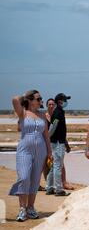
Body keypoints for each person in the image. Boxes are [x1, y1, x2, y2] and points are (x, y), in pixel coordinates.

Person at [10, 90, 52, 221]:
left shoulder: (43, 116)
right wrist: (25, 95)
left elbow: (46, 135)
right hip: (24, 149)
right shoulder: (22, 113)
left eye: (41, 99)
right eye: (38, 99)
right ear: (30, 100)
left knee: (35, 180)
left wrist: (50, 152)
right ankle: (22, 209)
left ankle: (30, 207)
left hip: (41, 150)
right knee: (23, 177)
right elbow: (15, 99)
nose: (41, 101)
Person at [46, 93, 71, 196]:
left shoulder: (59, 112)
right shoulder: (57, 113)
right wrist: (48, 138)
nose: (65, 102)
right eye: (64, 100)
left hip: (57, 142)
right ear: (59, 101)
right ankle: (59, 189)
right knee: (57, 166)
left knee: (53, 166)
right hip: (57, 143)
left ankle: (50, 188)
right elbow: (53, 127)